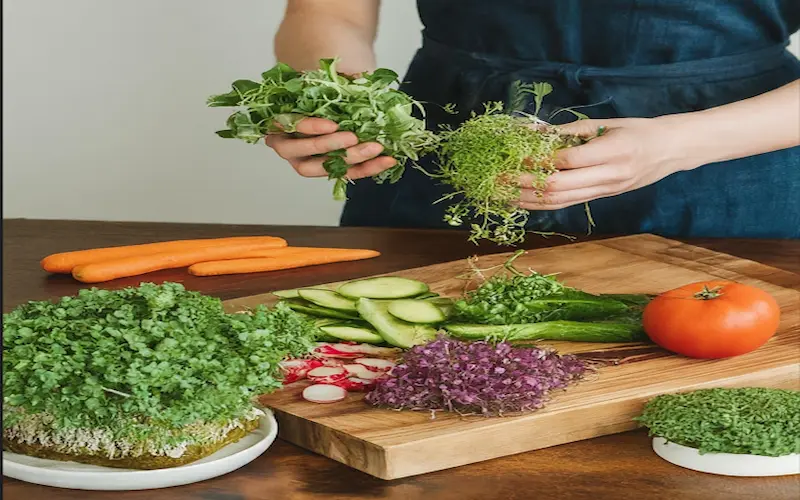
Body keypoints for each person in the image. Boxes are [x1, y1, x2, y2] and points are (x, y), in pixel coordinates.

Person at [268, 0, 800, 238]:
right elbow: (325, 13)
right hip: (442, 152)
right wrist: (338, 98)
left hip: (730, 167)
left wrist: (678, 142)